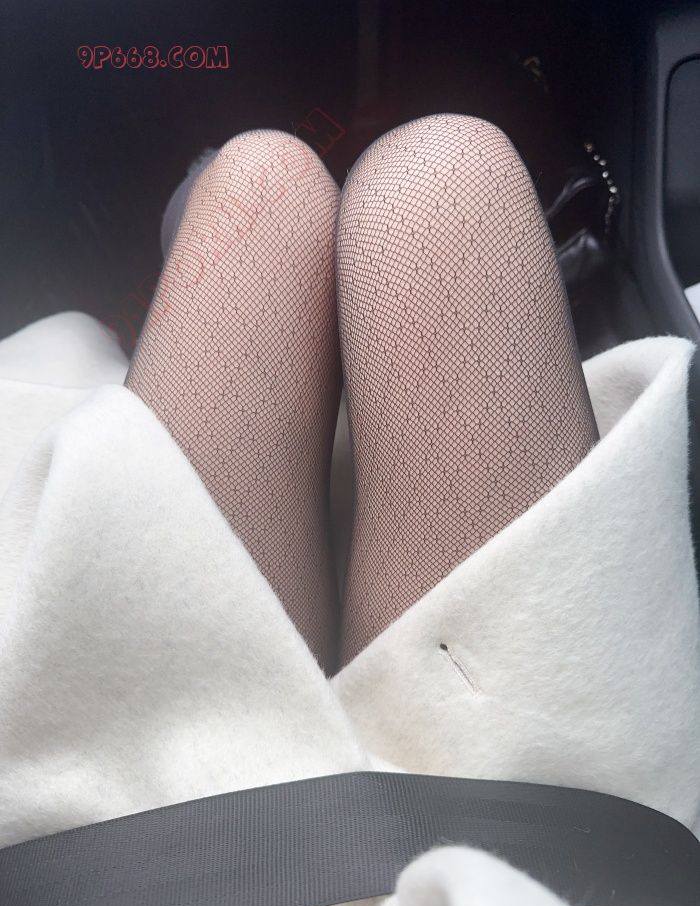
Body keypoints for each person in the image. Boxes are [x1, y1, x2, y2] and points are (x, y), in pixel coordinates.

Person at [126, 114, 598, 672]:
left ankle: (200, 216)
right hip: (513, 700)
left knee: (262, 175)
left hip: (164, 697)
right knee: (446, 168)